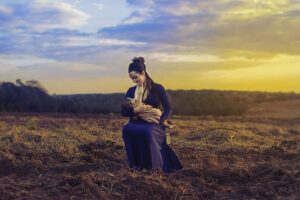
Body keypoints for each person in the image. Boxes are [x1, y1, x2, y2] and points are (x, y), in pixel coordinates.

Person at [121, 56, 183, 173]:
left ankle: (154, 167)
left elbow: (168, 109)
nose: (134, 81)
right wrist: (136, 111)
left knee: (147, 132)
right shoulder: (130, 90)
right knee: (127, 129)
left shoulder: (158, 88)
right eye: (132, 79)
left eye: (135, 77)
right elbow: (123, 112)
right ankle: (135, 165)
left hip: (155, 123)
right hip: (137, 121)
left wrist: (160, 122)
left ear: (143, 73)